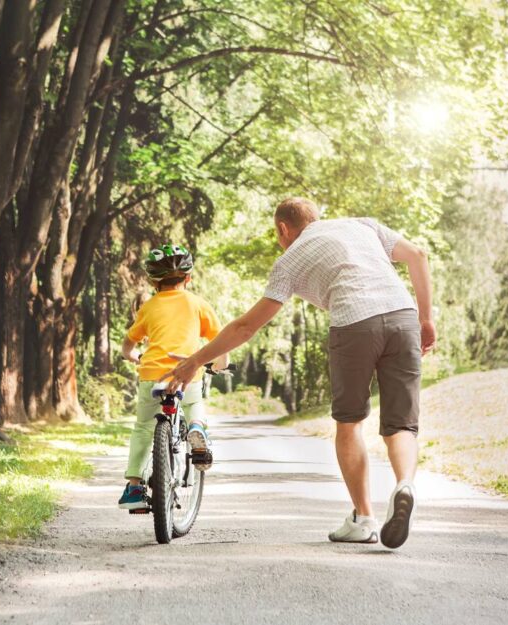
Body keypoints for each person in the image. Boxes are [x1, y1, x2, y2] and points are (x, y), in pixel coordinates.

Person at [163, 198, 436, 548]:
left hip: (353, 324)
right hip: (402, 315)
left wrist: (195, 360)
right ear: (317, 218)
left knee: (350, 422)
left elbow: (246, 327)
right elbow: (418, 256)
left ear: (283, 229)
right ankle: (404, 484)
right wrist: (426, 319)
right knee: (401, 425)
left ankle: (364, 517)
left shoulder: (289, 259)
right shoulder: (361, 224)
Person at [117, 244, 228, 510]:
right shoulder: (198, 304)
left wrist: (133, 357)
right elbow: (220, 341)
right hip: (187, 372)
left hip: (152, 375)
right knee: (192, 404)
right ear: (188, 278)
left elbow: (128, 344)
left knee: (144, 427)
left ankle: (134, 488)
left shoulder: (148, 307)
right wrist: (219, 365)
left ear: (154, 281)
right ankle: (197, 428)